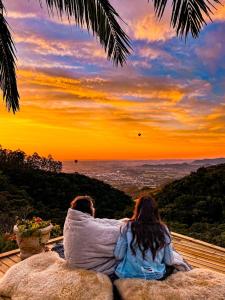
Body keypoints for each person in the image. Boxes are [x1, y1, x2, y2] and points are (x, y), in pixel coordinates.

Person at [114, 195, 184, 280]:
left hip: (128, 274)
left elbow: (118, 256)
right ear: (155, 211)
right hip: (155, 275)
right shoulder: (163, 229)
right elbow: (169, 261)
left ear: (138, 209)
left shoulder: (127, 226)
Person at [63, 195, 122, 276]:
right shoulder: (89, 227)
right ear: (88, 209)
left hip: (73, 261)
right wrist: (125, 227)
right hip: (88, 267)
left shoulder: (71, 220)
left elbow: (99, 222)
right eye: (92, 206)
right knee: (124, 249)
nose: (93, 209)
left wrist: (119, 222)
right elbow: (115, 235)